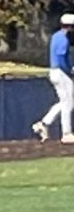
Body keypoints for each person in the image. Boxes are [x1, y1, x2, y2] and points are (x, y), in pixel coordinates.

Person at [34, 14, 74, 143]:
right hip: (61, 72)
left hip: (54, 72)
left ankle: (44, 123)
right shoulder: (63, 39)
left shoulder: (56, 36)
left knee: (64, 102)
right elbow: (61, 58)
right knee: (68, 103)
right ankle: (66, 133)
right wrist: (69, 70)